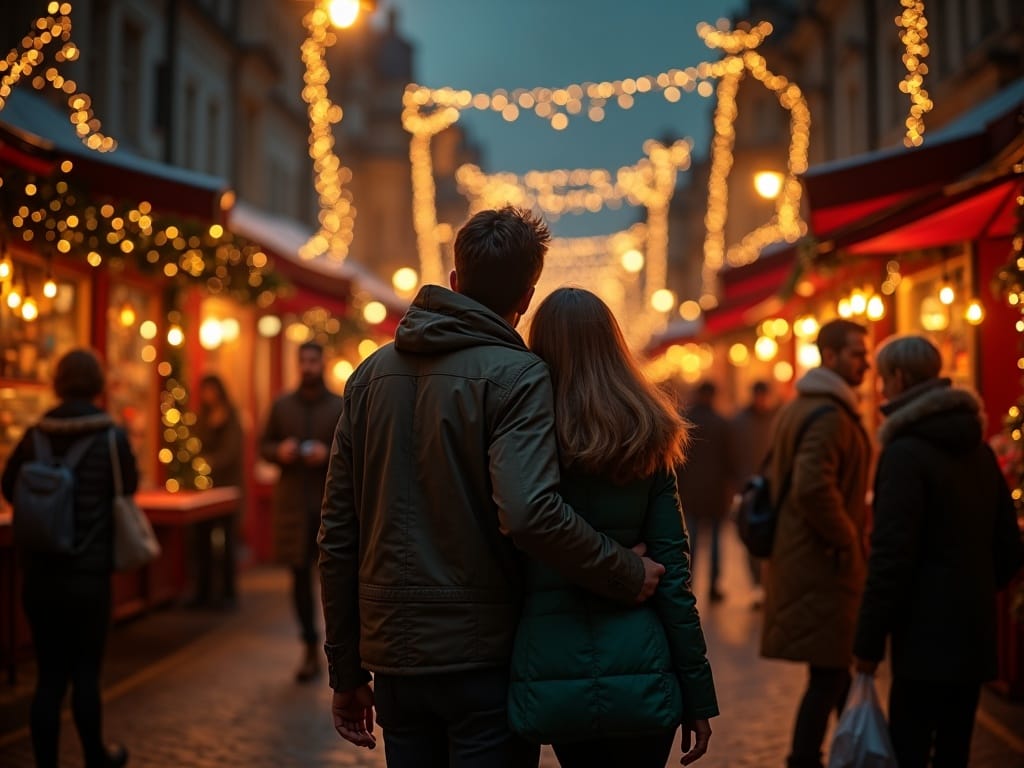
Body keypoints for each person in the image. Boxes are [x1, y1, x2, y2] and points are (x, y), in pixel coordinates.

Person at [319, 206, 665, 767]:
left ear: (455, 280)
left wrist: (346, 669)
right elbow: (529, 511)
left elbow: (337, 533)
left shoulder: (369, 376)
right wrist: (624, 570)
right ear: (527, 297)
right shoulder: (519, 375)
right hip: (485, 654)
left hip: (395, 656)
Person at [508, 287, 718, 767]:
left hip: (553, 669)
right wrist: (697, 695)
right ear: (614, 344)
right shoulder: (647, 432)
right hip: (644, 669)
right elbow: (674, 578)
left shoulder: (523, 436)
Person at [852, 335, 1024, 768]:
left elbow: (890, 558)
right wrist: (976, 586)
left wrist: (868, 643)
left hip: (922, 639)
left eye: (883, 377)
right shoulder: (980, 450)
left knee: (909, 746)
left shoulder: (904, 454)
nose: (880, 388)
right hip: (973, 631)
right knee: (955, 750)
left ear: (900, 378)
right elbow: (1008, 546)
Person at [1, 349, 138, 768]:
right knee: (84, 674)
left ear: (58, 382)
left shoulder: (34, 435)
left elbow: (9, 488)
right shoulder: (111, 437)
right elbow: (127, 489)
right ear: (98, 384)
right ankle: (95, 757)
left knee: (48, 677)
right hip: (89, 574)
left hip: (40, 573)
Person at [760, 318, 872, 768]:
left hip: (806, 558)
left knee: (832, 670)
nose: (865, 361)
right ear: (830, 355)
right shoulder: (829, 414)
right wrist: (847, 536)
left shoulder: (805, 404)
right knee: (829, 672)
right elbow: (811, 487)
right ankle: (806, 758)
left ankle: (856, 750)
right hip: (822, 563)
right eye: (856, 353)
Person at [260, 341, 343, 683]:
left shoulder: (339, 405)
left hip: (331, 506)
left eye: (313, 360)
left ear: (322, 363)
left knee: (333, 580)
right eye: (303, 361)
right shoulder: (282, 406)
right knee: (298, 579)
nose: (308, 366)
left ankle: (336, 649)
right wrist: (280, 450)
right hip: (293, 505)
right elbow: (263, 446)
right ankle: (309, 645)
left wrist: (328, 453)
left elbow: (354, 448)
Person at [676, 380, 736, 603]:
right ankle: (713, 586)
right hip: (716, 493)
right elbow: (730, 462)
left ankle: (688, 584)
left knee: (689, 542)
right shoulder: (722, 423)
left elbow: (677, 462)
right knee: (715, 542)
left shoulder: (685, 422)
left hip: (690, 493)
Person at [191, 374, 245, 610]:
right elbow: (195, 444)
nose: (208, 395)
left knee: (227, 542)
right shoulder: (201, 418)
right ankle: (203, 592)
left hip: (227, 487)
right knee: (201, 541)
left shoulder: (231, 416)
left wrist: (209, 463)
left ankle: (228, 593)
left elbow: (232, 451)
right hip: (204, 489)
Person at [731, 380, 779, 606]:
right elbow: (732, 455)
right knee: (751, 535)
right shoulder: (740, 422)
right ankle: (757, 585)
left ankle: (768, 584)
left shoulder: (775, 419)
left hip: (771, 488)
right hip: (748, 488)